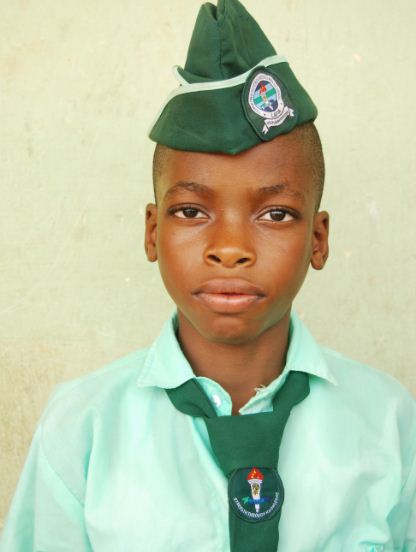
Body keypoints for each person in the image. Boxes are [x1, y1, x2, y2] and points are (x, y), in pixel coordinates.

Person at [1, 0, 415, 550]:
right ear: (152, 232)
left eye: (276, 214)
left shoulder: (388, 423)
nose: (230, 249)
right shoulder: (81, 428)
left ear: (318, 240)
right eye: (191, 211)